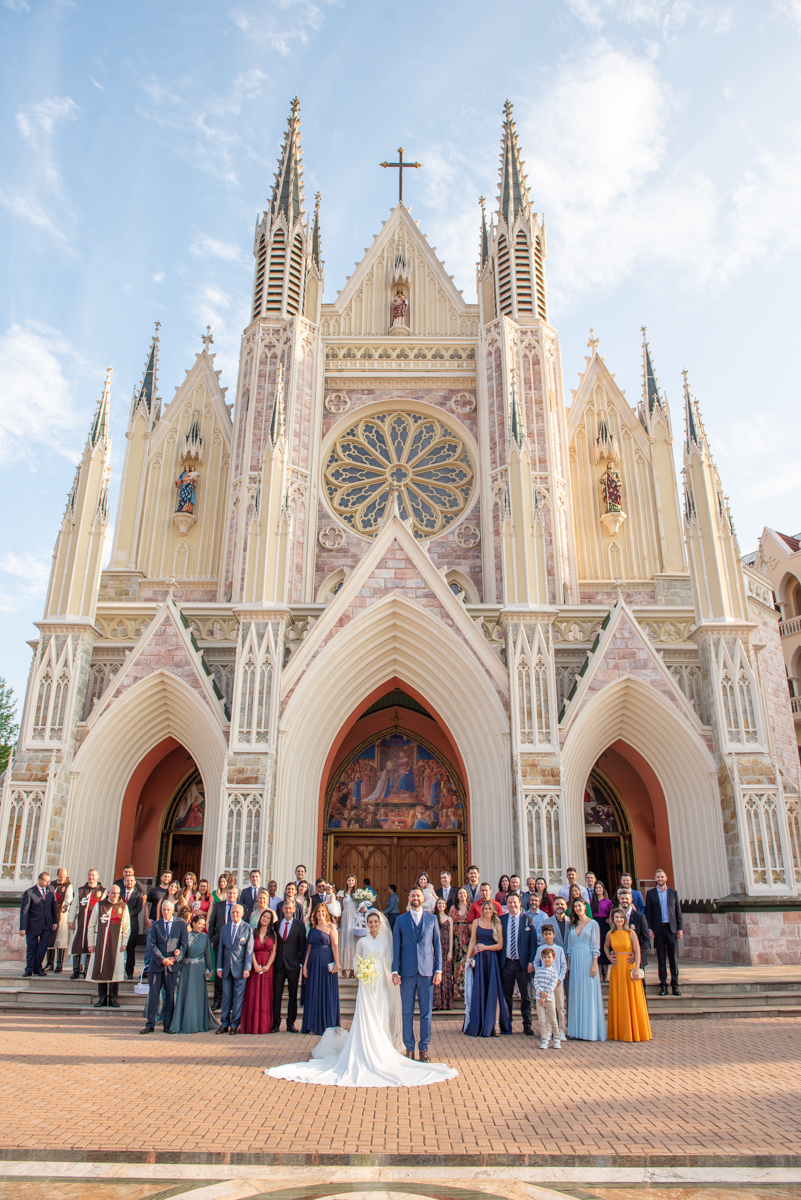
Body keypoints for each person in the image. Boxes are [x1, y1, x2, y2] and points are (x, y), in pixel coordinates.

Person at [267, 910, 458, 1088]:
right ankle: (364, 1046)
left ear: (379, 923)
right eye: (370, 922)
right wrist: (361, 972)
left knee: (381, 1012)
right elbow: (356, 961)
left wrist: (393, 974)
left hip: (381, 982)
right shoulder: (362, 942)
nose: (373, 924)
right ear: (366, 924)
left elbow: (392, 959)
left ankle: (384, 1046)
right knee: (366, 1014)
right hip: (366, 984)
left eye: (375, 922)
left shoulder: (385, 941)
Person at [391, 887, 442, 1062]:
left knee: (426, 1012)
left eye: (418, 895)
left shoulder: (432, 919)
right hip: (407, 971)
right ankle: (409, 1048)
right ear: (408, 897)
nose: (415, 898)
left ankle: (424, 1048)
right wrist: (395, 970)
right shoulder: (400, 920)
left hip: (427, 972)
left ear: (423, 899)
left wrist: (438, 970)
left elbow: (437, 946)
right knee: (407, 1012)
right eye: (413, 895)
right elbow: (396, 947)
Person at [464, 899, 510, 1038]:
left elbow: (500, 945)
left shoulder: (497, 923)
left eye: (490, 909)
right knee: (480, 989)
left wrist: (485, 947)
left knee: (493, 991)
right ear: (482, 910)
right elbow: (473, 940)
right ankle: (480, 1021)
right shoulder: (476, 922)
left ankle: (495, 1023)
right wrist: (468, 957)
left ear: (493, 910)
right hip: (479, 960)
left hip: (492, 959)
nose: (488, 911)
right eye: (486, 909)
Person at [141, 899, 188, 1035]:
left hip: (172, 966)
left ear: (173, 910)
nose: (166, 912)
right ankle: (150, 1024)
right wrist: (162, 960)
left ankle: (168, 1025)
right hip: (157, 966)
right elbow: (152, 945)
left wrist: (175, 957)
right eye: (163, 910)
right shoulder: (156, 925)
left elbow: (184, 944)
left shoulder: (180, 923)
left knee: (169, 996)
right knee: (154, 996)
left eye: (168, 910)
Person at [605, 907, 652, 1042]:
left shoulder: (631, 932)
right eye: (616, 917)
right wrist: (609, 957)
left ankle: (635, 1030)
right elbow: (606, 947)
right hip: (617, 968)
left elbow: (637, 951)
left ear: (624, 919)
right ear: (613, 920)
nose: (619, 920)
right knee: (620, 998)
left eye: (621, 917)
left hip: (629, 967)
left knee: (632, 997)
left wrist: (636, 968)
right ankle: (620, 1031)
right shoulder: (610, 934)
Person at [565, 897, 606, 1041]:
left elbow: (596, 945)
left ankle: (590, 1030)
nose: (577, 908)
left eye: (579, 906)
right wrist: (568, 964)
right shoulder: (571, 925)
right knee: (576, 993)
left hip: (588, 959)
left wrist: (594, 963)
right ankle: (576, 1030)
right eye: (575, 906)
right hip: (575, 960)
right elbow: (569, 948)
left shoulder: (593, 924)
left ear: (584, 906)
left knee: (588, 993)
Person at [171, 913, 218, 1033]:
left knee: (197, 996)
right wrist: (177, 954)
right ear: (193, 923)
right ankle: (187, 1023)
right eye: (199, 924)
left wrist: (210, 969)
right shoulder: (185, 936)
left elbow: (208, 955)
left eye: (203, 924)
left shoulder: (205, 937)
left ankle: (198, 1022)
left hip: (199, 970)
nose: (202, 926)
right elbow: (182, 952)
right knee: (187, 995)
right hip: (187, 970)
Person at [87, 884, 130, 1007]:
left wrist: (124, 943)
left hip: (116, 943)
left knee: (115, 970)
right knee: (101, 969)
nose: (115, 895)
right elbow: (91, 924)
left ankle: (113, 997)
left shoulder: (123, 907)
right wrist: (91, 943)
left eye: (117, 893)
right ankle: (102, 997)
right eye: (113, 893)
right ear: (108, 893)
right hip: (100, 942)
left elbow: (127, 927)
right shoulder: (100, 906)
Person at [301, 902, 340, 1035]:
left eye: (323, 912)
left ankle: (327, 1025)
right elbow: (308, 948)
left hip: (326, 961)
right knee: (314, 992)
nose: (321, 914)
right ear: (315, 914)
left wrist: (337, 963)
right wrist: (305, 966)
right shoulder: (312, 928)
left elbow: (335, 946)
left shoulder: (331, 927)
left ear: (326, 913)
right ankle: (313, 1025)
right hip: (313, 962)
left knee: (326, 991)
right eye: (318, 912)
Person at [500, 892, 536, 1036]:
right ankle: (507, 1024)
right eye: (509, 902)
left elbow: (533, 943)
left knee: (526, 995)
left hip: (523, 964)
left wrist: (531, 961)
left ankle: (527, 1024)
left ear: (520, 903)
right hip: (507, 962)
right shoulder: (501, 920)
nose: (512, 905)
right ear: (506, 904)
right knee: (506, 995)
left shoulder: (528, 920)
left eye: (515, 902)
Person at [215, 903, 254, 1035]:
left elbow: (249, 950)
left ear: (242, 914)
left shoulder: (247, 928)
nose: (235, 914)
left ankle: (234, 1025)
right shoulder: (225, 929)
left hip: (240, 969)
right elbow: (221, 949)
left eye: (237, 912)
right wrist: (219, 967)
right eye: (233, 912)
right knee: (226, 997)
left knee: (238, 998)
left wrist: (247, 968)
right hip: (226, 968)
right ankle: (224, 1023)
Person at [645, 869, 684, 996]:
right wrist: (649, 929)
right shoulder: (650, 894)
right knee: (661, 959)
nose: (660, 879)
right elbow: (648, 913)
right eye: (658, 877)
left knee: (673, 958)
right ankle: (663, 985)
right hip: (658, 930)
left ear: (666, 878)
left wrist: (680, 928)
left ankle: (675, 985)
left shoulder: (673, 893)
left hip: (671, 929)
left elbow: (678, 912)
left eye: (662, 877)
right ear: (655, 878)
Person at [272, 897, 306, 1033]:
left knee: (292, 995)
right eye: (285, 908)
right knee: (277, 994)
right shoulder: (276, 924)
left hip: (293, 965)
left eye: (290, 908)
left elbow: (302, 946)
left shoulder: (299, 925)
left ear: (294, 910)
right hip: (279, 964)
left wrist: (301, 965)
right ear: (282, 909)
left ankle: (290, 1023)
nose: (287, 910)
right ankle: (275, 1023)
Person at [241, 907, 276, 1034]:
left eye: (268, 918)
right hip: (254, 965)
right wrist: (254, 964)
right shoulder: (253, 932)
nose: (265, 919)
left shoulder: (273, 934)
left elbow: (274, 952)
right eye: (264, 917)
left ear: (270, 921)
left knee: (265, 995)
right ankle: (252, 1026)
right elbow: (250, 949)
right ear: (260, 918)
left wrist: (267, 965)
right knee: (253, 994)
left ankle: (263, 1026)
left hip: (267, 967)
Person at [208, 882, 240, 1010]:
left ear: (237, 895)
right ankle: (217, 1000)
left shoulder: (241, 907)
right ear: (226, 894)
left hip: (235, 946)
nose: (231, 895)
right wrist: (212, 938)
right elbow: (212, 922)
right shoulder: (219, 905)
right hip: (219, 943)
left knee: (233, 972)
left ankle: (231, 1002)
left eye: (234, 893)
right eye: (229, 893)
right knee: (219, 971)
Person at [19, 871, 58, 978]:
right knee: (32, 947)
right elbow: (24, 911)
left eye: (48, 881)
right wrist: (22, 928)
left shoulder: (51, 890)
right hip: (33, 924)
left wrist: (55, 921)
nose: (47, 883)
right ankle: (29, 968)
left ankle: (38, 967)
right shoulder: (30, 892)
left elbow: (53, 907)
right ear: (40, 880)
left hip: (47, 924)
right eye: (45, 881)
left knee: (43, 947)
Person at [533, 923, 567, 1039]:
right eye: (545, 934)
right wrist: (539, 972)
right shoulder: (540, 949)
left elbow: (563, 965)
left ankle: (561, 1030)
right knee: (547, 1008)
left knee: (560, 1007)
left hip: (556, 984)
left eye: (549, 934)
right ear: (542, 936)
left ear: (553, 935)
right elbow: (536, 962)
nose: (548, 936)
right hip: (544, 984)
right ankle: (548, 1030)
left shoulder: (559, 949)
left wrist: (559, 978)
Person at [69, 870, 106, 979]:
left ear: (97, 877)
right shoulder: (81, 890)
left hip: (93, 924)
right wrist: (70, 920)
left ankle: (87, 970)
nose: (91, 877)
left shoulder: (102, 891)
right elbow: (74, 906)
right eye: (89, 875)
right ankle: (76, 970)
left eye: (93, 875)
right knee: (77, 945)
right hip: (81, 922)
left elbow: (103, 908)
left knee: (90, 945)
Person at [116, 865, 144, 980]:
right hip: (118, 926)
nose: (129, 882)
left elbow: (137, 909)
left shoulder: (138, 895)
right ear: (124, 882)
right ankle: (117, 970)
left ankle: (129, 971)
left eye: (131, 881)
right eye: (127, 880)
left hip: (132, 926)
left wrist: (125, 916)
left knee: (130, 949)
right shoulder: (119, 894)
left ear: (134, 882)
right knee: (118, 948)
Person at [143, 870, 173, 975]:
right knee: (149, 947)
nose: (167, 879)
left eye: (169, 877)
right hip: (154, 922)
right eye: (165, 876)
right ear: (161, 878)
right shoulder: (154, 890)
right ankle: (146, 969)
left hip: (166, 923)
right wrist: (147, 919)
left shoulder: (170, 892)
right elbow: (147, 905)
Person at [44, 867, 72, 974]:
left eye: (64, 876)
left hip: (62, 913)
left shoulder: (68, 885)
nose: (62, 878)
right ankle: (49, 963)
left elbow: (69, 898)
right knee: (50, 938)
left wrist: (65, 905)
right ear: (57, 875)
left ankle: (59, 963)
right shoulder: (52, 884)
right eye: (61, 876)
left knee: (61, 938)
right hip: (51, 913)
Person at [534, 946, 561, 1050]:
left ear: (553, 959)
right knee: (541, 1020)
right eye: (545, 957)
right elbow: (536, 982)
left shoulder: (554, 972)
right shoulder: (539, 971)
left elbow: (552, 985)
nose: (547, 959)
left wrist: (545, 995)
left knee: (553, 1020)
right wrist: (540, 992)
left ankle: (557, 1039)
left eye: (549, 957)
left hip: (549, 1000)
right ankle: (544, 1039)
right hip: (540, 999)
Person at [617, 888, 650, 970]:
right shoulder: (615, 918)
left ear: (631, 900)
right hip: (620, 959)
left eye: (626, 899)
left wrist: (636, 954)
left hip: (636, 960)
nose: (624, 900)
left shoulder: (639, 917)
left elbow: (646, 940)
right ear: (619, 900)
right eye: (622, 898)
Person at [449, 886, 472, 998]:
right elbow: (450, 924)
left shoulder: (471, 907)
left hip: (468, 938)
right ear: (457, 896)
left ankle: (467, 989)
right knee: (457, 963)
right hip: (456, 939)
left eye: (464, 893)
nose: (462, 895)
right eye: (460, 893)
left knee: (466, 963)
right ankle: (457, 990)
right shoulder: (453, 908)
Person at [432, 897, 454, 1011]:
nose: (441, 905)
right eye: (439, 903)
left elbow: (451, 936)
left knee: (445, 976)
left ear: (445, 905)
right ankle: (436, 1003)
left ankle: (445, 1003)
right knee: (435, 975)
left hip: (446, 949)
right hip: (435, 949)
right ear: (436, 905)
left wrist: (450, 951)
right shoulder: (433, 918)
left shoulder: (449, 919)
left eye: (442, 903)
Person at [591, 881, 613, 981]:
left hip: (605, 924)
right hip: (596, 924)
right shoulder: (592, 902)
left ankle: (607, 974)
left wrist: (609, 919)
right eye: (597, 888)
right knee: (597, 948)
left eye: (600, 888)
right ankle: (599, 974)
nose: (598, 890)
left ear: (603, 889)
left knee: (605, 947)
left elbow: (611, 914)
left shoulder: (608, 902)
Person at [337, 875, 358, 977]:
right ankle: (344, 968)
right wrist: (337, 921)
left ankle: (353, 969)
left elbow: (360, 907)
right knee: (345, 941)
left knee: (353, 941)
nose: (350, 882)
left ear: (355, 882)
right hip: (345, 917)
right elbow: (339, 908)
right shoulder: (342, 893)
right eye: (349, 880)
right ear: (346, 881)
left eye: (352, 880)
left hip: (354, 918)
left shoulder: (357, 894)